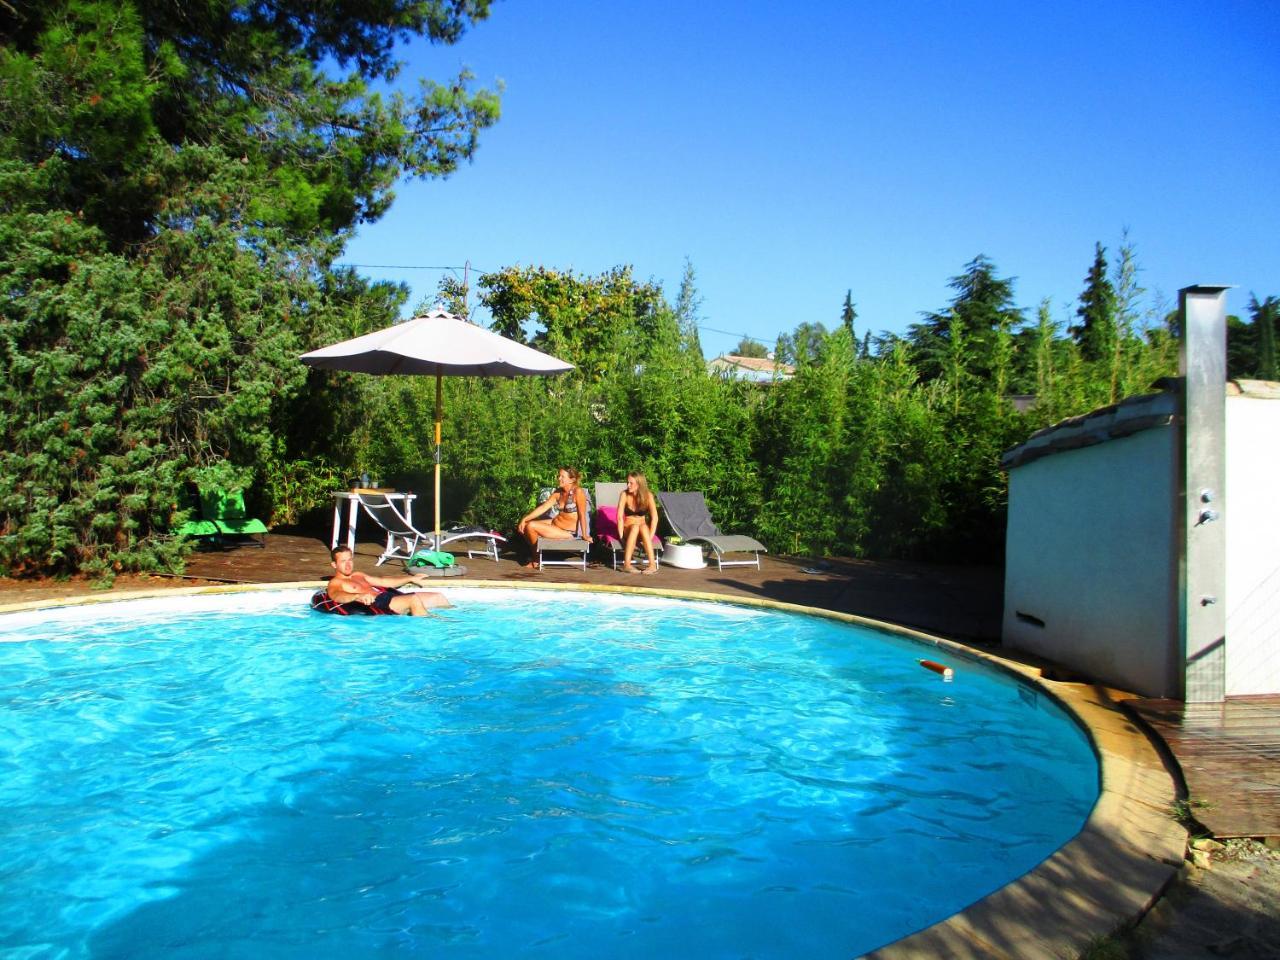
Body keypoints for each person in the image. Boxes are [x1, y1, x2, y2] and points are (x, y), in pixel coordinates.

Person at [326, 545, 451, 615]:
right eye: (343, 561)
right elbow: (336, 595)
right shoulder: (336, 582)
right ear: (334, 565)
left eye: (350, 560)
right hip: (379, 603)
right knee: (413, 600)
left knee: (438, 597)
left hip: (388, 597)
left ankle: (451, 625)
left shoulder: (358, 575)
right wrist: (357, 596)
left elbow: (383, 581)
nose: (348, 565)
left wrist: (411, 578)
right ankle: (431, 628)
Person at [518, 466, 590, 569]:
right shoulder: (558, 492)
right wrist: (524, 519)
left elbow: (582, 515)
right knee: (525, 525)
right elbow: (543, 508)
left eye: (562, 476)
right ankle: (537, 552)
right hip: (554, 524)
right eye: (559, 476)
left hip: (568, 532)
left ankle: (536, 560)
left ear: (572, 479)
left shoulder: (578, 492)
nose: (559, 478)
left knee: (531, 526)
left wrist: (585, 535)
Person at [618, 471, 659, 574]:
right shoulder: (624, 494)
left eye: (631, 483)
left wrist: (650, 537)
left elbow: (655, 518)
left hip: (642, 531)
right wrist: (621, 537)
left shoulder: (648, 495)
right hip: (628, 529)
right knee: (636, 527)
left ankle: (652, 565)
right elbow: (619, 517)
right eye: (627, 482)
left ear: (639, 484)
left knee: (643, 527)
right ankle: (627, 565)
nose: (628, 485)